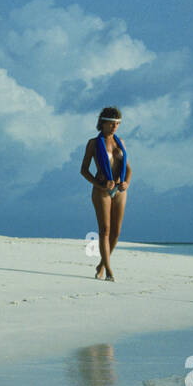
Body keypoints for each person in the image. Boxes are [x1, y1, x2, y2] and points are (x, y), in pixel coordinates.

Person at [79, 107, 130, 281]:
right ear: (103, 123)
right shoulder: (93, 143)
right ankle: (108, 270)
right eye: (112, 123)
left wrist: (126, 182)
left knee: (116, 232)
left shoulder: (120, 142)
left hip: (120, 190)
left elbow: (128, 168)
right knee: (105, 230)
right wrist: (99, 185)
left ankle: (101, 264)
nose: (115, 127)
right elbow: (84, 170)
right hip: (102, 190)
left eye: (118, 124)